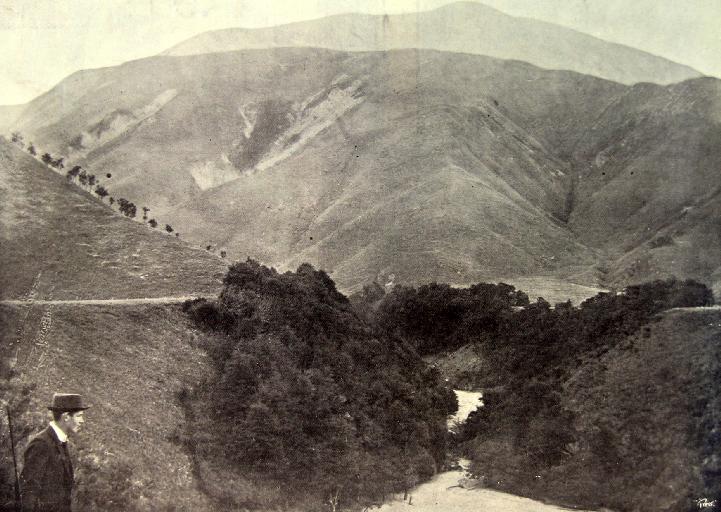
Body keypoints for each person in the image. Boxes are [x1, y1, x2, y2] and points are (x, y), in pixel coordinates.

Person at [20, 393, 89, 512]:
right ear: (66, 417)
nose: (82, 421)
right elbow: (29, 492)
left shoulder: (60, 441)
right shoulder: (41, 444)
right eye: (79, 416)